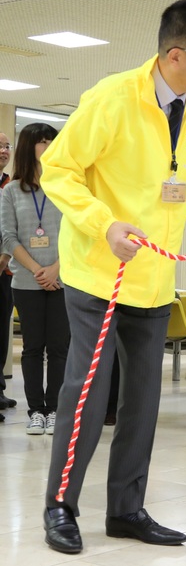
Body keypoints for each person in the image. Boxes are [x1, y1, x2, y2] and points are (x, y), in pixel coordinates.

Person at [39, 0, 186, 555]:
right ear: (174, 54)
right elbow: (58, 170)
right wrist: (102, 223)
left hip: (156, 278)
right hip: (99, 273)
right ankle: (59, 507)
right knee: (87, 396)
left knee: (143, 399)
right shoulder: (112, 98)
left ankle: (126, 509)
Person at [1, 122, 69, 436]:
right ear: (29, 146)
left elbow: (76, 233)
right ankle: (35, 411)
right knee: (31, 348)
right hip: (27, 283)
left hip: (61, 279)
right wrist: (37, 270)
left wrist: (55, 268)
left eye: (51, 141)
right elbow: (8, 237)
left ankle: (54, 408)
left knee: (59, 347)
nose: (48, 146)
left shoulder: (65, 185)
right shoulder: (12, 191)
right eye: (42, 141)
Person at [0, 131, 18, 419]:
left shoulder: (10, 185)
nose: (4, 150)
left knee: (2, 330)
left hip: (5, 270)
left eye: (6, 145)